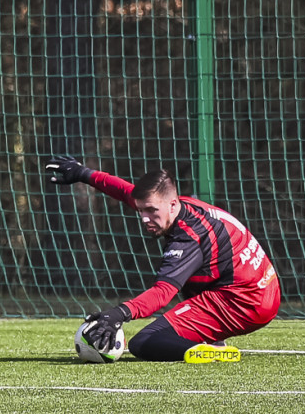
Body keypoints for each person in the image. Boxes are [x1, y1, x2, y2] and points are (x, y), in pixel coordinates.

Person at [45, 155, 280, 362]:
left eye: (151, 212)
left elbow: (161, 294)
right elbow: (127, 191)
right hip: (263, 287)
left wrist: (118, 314)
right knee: (196, 277)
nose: (145, 219)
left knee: (145, 343)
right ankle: (210, 334)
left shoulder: (188, 239)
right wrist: (84, 174)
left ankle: (211, 349)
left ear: (172, 204)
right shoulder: (177, 206)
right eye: (141, 211)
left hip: (245, 302)